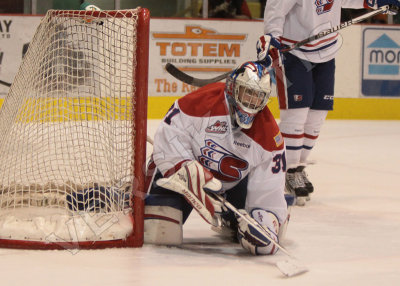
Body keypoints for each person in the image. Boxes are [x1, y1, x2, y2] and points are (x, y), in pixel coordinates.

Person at [256, 0, 400, 206]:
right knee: (296, 115)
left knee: (317, 116)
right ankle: (287, 171)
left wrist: (375, 1)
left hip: (327, 50)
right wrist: (272, 36)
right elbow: (275, 9)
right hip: (293, 53)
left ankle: (300, 168)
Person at [144, 61, 291, 256]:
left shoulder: (269, 137)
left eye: (258, 96)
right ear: (233, 88)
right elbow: (167, 140)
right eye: (248, 92)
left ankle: (234, 220)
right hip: (180, 180)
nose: (251, 102)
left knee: (263, 240)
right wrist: (186, 169)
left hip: (231, 187)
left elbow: (268, 193)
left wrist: (265, 223)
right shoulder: (200, 102)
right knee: (161, 233)